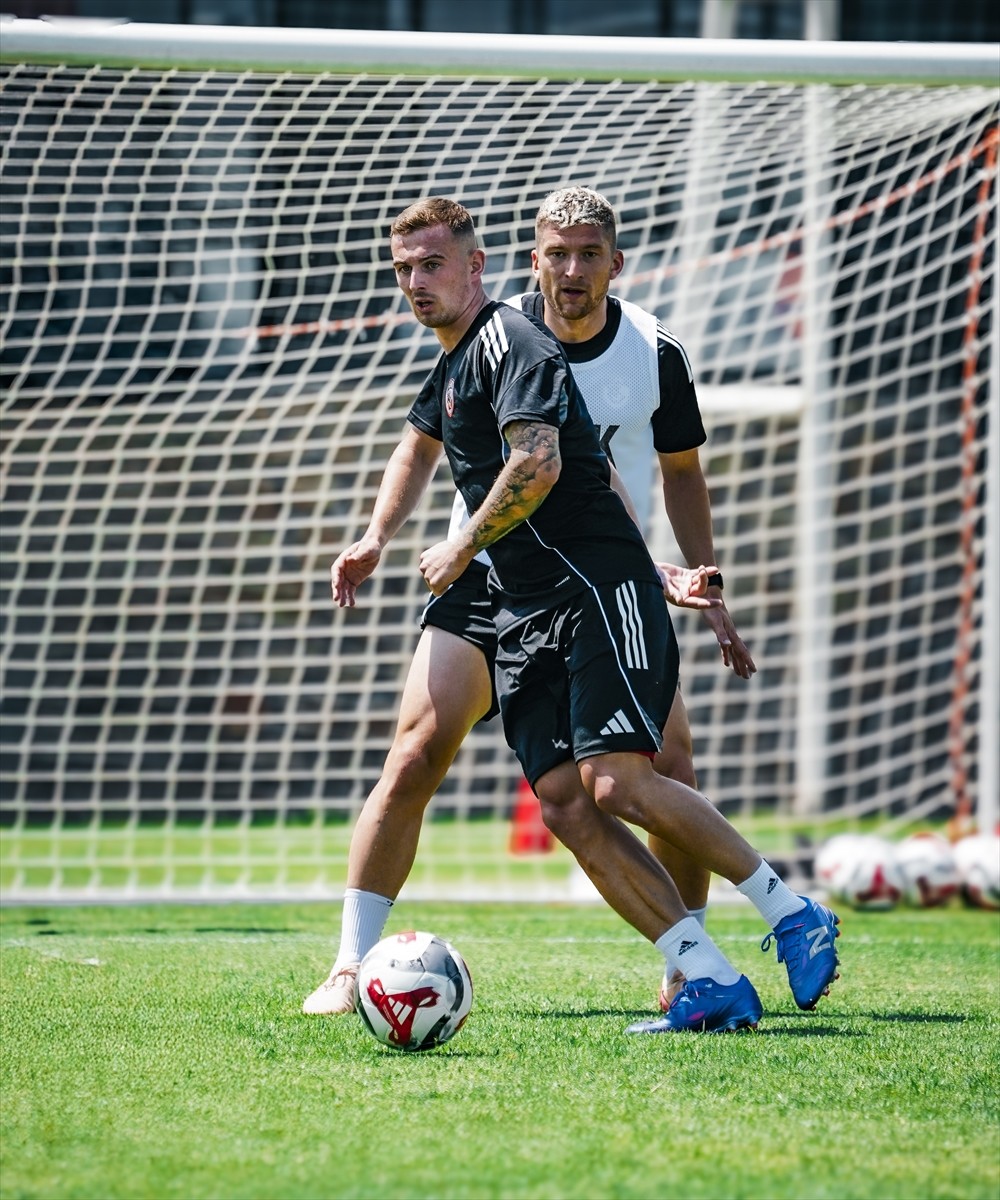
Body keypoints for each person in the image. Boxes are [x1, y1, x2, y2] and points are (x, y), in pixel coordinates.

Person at [305, 196, 840, 1034]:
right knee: (555, 796)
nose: (415, 283)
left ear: (480, 266)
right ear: (533, 259)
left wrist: (666, 572)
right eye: (403, 269)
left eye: (432, 265)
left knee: (637, 774)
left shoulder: (532, 343)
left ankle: (784, 914)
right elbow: (572, 457)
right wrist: (380, 535)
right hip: (519, 598)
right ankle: (708, 977)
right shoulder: (458, 363)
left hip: (592, 587)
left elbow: (551, 460)